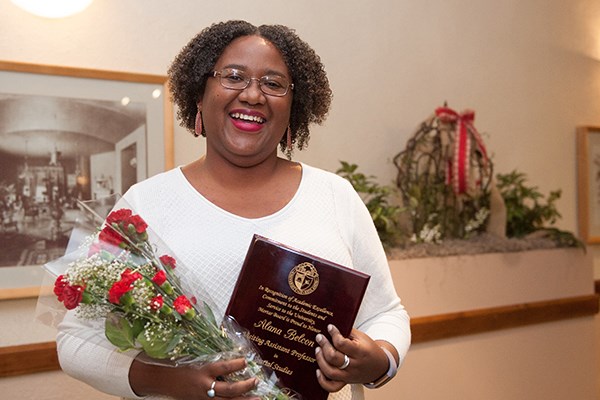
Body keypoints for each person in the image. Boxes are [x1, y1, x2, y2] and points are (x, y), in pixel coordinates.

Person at [57, 20, 411, 400]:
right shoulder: (147, 203)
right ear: (199, 96)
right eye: (234, 77)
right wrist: (165, 381)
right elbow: (74, 342)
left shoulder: (334, 195)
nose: (254, 95)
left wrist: (380, 360)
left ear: (294, 108)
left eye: (273, 84)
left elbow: (386, 313)